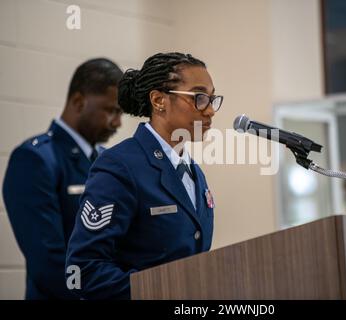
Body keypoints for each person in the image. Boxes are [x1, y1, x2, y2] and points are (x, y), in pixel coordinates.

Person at [66, 52, 222, 299]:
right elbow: (84, 270)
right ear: (159, 100)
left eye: (213, 99)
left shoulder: (194, 173)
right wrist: (163, 290)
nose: (211, 110)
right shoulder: (120, 166)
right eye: (200, 98)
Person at [2, 58, 123, 299]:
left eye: (120, 112)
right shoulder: (35, 159)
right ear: (79, 102)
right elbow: (49, 263)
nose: (118, 123)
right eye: (111, 111)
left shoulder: (109, 160)